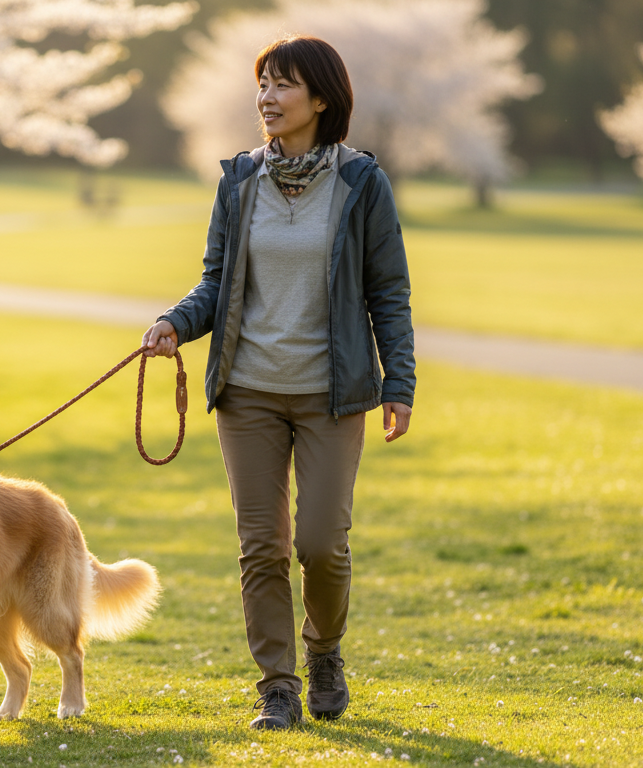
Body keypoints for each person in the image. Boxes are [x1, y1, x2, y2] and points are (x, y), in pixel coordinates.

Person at [142, 34, 414, 729]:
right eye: (262, 83)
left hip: (333, 393)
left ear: (321, 98)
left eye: (283, 84)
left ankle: (323, 651)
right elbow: (217, 280)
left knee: (322, 542)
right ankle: (278, 686)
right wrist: (176, 321)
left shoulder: (361, 184)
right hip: (249, 392)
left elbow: (389, 293)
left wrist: (399, 383)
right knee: (261, 547)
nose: (266, 97)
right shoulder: (239, 181)